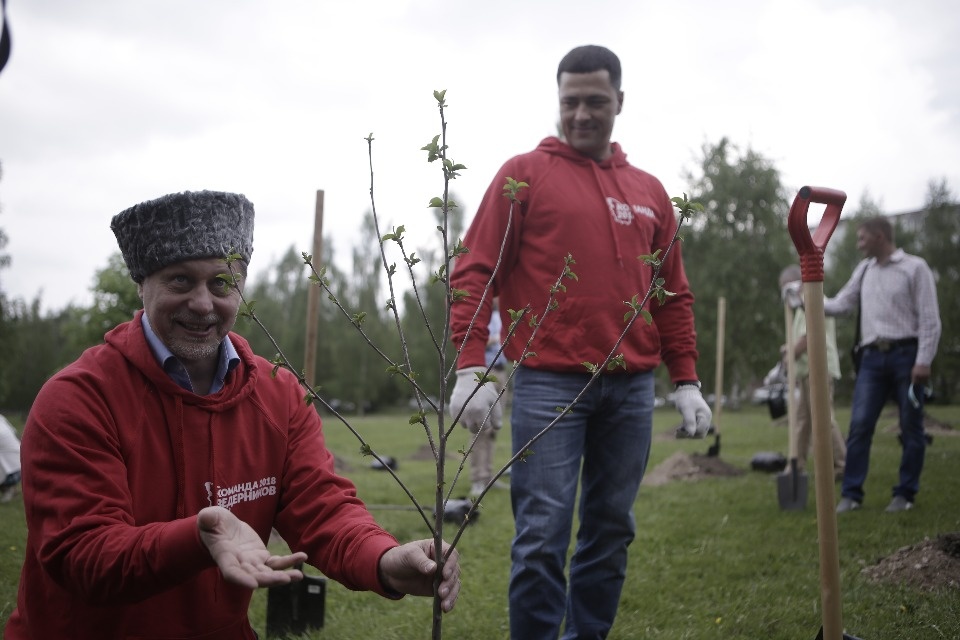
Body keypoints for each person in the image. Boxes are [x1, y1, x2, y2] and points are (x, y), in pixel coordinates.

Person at [5, 190, 460, 640]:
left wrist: (383, 559)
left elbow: (321, 510)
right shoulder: (77, 398)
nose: (203, 303)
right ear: (142, 284)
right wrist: (199, 536)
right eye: (180, 280)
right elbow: (84, 555)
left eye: (221, 283)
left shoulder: (278, 394)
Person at [448, 45, 711, 639]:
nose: (582, 114)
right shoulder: (524, 176)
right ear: (558, 101)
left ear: (620, 101)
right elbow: (474, 270)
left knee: (611, 528)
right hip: (548, 384)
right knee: (541, 533)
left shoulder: (649, 192)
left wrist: (687, 378)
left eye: (596, 101)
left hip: (633, 388)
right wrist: (471, 368)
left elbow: (672, 295)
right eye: (571, 102)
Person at [824, 216, 941, 514]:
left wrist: (923, 361)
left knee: (911, 427)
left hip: (907, 356)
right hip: (872, 360)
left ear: (879, 236)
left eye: (862, 238)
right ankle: (851, 494)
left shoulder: (915, 268)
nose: (858, 243)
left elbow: (930, 319)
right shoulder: (864, 270)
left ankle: (905, 494)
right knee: (860, 425)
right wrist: (804, 295)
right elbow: (840, 304)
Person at [779, 265, 846, 479]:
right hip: (805, 372)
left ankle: (842, 464)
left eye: (785, 288)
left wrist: (791, 351)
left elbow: (806, 340)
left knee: (823, 417)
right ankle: (795, 466)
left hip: (819, 370)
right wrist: (789, 349)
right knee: (802, 421)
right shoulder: (799, 308)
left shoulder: (814, 300)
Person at [463, 300, 510, 499]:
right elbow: (473, 341)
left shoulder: (503, 317)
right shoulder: (478, 317)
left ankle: (489, 476)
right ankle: (477, 480)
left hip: (501, 373)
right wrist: (498, 339)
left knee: (493, 429)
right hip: (484, 373)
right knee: (479, 428)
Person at [0, 413, 20, 503]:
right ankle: (10, 489)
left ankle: (8, 489)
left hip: (14, 472)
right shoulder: (1, 418)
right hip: (21, 463)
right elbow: (15, 432)